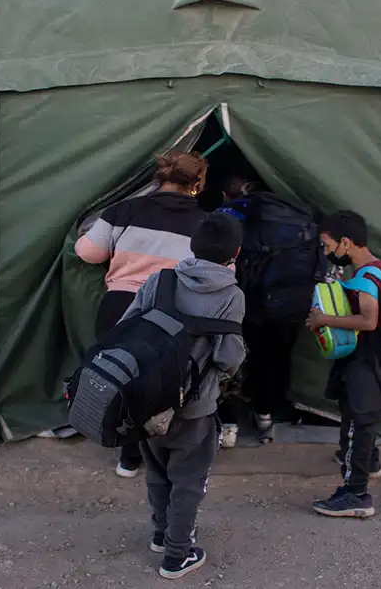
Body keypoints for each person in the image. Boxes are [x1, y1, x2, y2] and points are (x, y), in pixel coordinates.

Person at [120, 212, 247, 579]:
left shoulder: (161, 280)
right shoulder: (231, 295)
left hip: (147, 403)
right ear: (235, 253)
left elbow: (126, 329)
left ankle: (161, 534)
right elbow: (228, 356)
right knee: (189, 480)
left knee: (158, 472)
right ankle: (177, 554)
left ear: (191, 245)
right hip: (195, 408)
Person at [75, 151, 209, 478]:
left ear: (158, 177)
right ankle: (164, 456)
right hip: (171, 312)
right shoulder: (206, 223)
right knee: (163, 383)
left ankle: (128, 457)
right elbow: (216, 272)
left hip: (121, 307)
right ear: (197, 184)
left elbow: (87, 252)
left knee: (121, 380)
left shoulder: (124, 210)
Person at [305, 210, 381, 518]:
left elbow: (368, 320)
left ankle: (356, 494)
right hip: (374, 359)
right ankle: (370, 462)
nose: (326, 252)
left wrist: (323, 319)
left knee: (356, 426)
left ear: (346, 243)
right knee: (360, 423)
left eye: (328, 246)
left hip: (364, 363)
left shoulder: (364, 279)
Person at [218, 176, 309, 441]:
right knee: (278, 356)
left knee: (238, 357)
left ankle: (233, 419)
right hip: (288, 298)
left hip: (248, 299)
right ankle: (270, 410)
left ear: (225, 195)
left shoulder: (228, 213)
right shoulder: (287, 216)